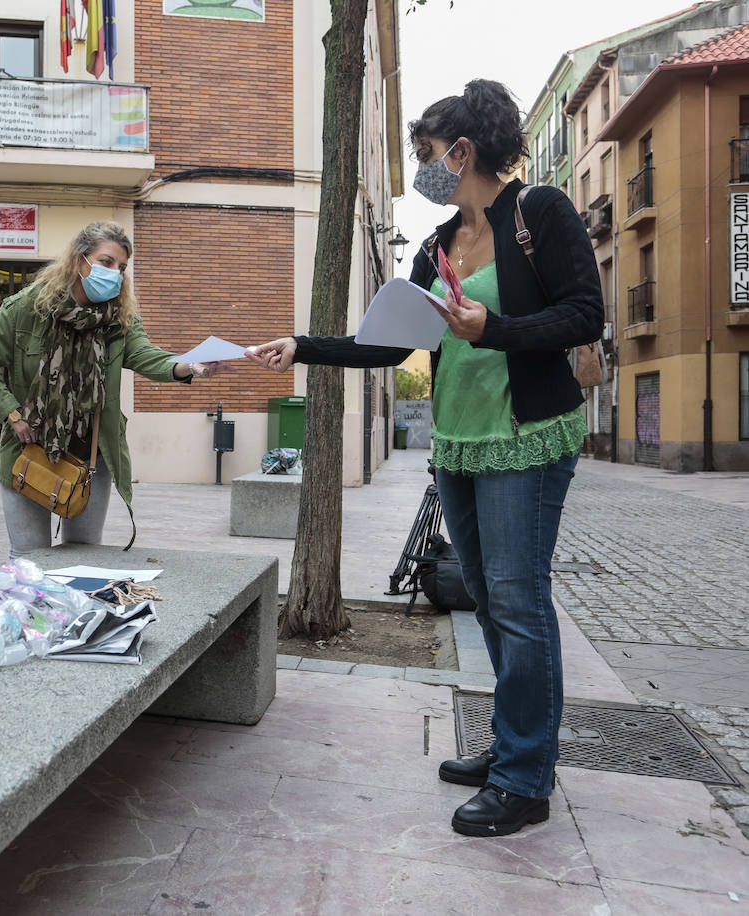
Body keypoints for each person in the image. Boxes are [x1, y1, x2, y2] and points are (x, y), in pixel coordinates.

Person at [251, 79, 602, 837]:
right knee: (488, 600)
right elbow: (389, 343)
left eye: (426, 154)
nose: (422, 171)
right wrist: (302, 347)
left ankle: (525, 779)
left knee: (518, 601)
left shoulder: (539, 212)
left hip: (525, 439)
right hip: (460, 444)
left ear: (463, 150)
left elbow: (584, 314)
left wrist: (492, 330)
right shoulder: (440, 243)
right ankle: (513, 745)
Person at [0, 220, 228, 557]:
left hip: (90, 456)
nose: (115, 273)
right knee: (29, 560)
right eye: (106, 262)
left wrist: (189, 365)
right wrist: (12, 413)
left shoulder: (119, 318)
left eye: (122, 267)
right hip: (29, 449)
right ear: (79, 260)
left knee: (84, 555)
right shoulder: (27, 308)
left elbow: (145, 355)